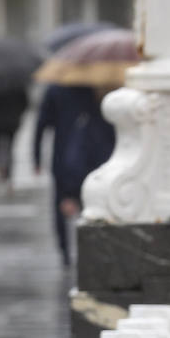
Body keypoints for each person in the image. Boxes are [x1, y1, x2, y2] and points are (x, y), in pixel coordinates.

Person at [33, 83, 115, 265]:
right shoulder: (96, 89)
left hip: (64, 156)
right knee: (94, 204)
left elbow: (42, 123)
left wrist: (36, 157)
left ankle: (66, 251)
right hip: (96, 157)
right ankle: (92, 249)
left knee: (63, 204)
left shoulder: (56, 89)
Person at [0, 85, 30, 191]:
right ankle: (7, 173)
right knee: (9, 148)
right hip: (11, 122)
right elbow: (25, 103)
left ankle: (0, 169)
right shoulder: (17, 85)